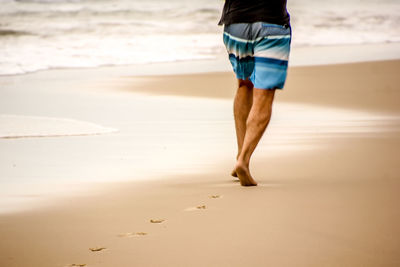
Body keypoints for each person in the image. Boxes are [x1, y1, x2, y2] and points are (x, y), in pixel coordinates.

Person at [219, 0, 291, 186]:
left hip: (236, 25)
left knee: (244, 85)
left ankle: (239, 155)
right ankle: (243, 160)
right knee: (264, 94)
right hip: (271, 23)